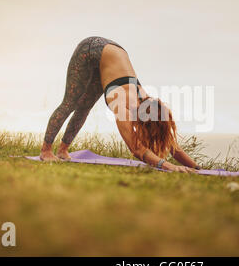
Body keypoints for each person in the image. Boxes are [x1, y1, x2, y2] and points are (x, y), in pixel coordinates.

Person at [40, 36, 200, 173]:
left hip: (112, 55)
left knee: (84, 107)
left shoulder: (146, 102)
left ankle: (62, 150)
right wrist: (169, 167)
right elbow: (136, 149)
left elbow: (172, 146)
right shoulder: (122, 105)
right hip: (90, 49)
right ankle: (46, 150)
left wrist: (197, 168)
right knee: (71, 103)